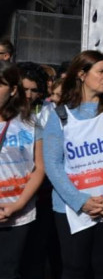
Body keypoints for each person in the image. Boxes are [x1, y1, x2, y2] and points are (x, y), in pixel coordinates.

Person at [42, 50, 103, 279]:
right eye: (101, 71)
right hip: (71, 206)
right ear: (82, 75)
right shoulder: (60, 114)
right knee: (74, 268)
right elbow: (53, 164)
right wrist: (80, 201)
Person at [0, 61, 45, 278]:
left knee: (10, 270)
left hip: (19, 213)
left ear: (13, 89)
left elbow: (39, 168)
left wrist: (18, 204)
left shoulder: (29, 122)